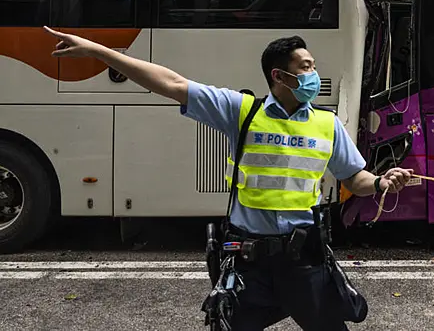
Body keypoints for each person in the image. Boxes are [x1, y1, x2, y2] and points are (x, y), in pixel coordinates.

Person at [43, 26, 413, 330]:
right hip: (250, 263)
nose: (313, 74)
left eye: (312, 66)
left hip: (305, 262)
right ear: (279, 75)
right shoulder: (243, 112)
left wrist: (381, 182)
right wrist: (100, 51)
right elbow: (171, 83)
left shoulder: (327, 124)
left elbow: (355, 178)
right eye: (305, 67)